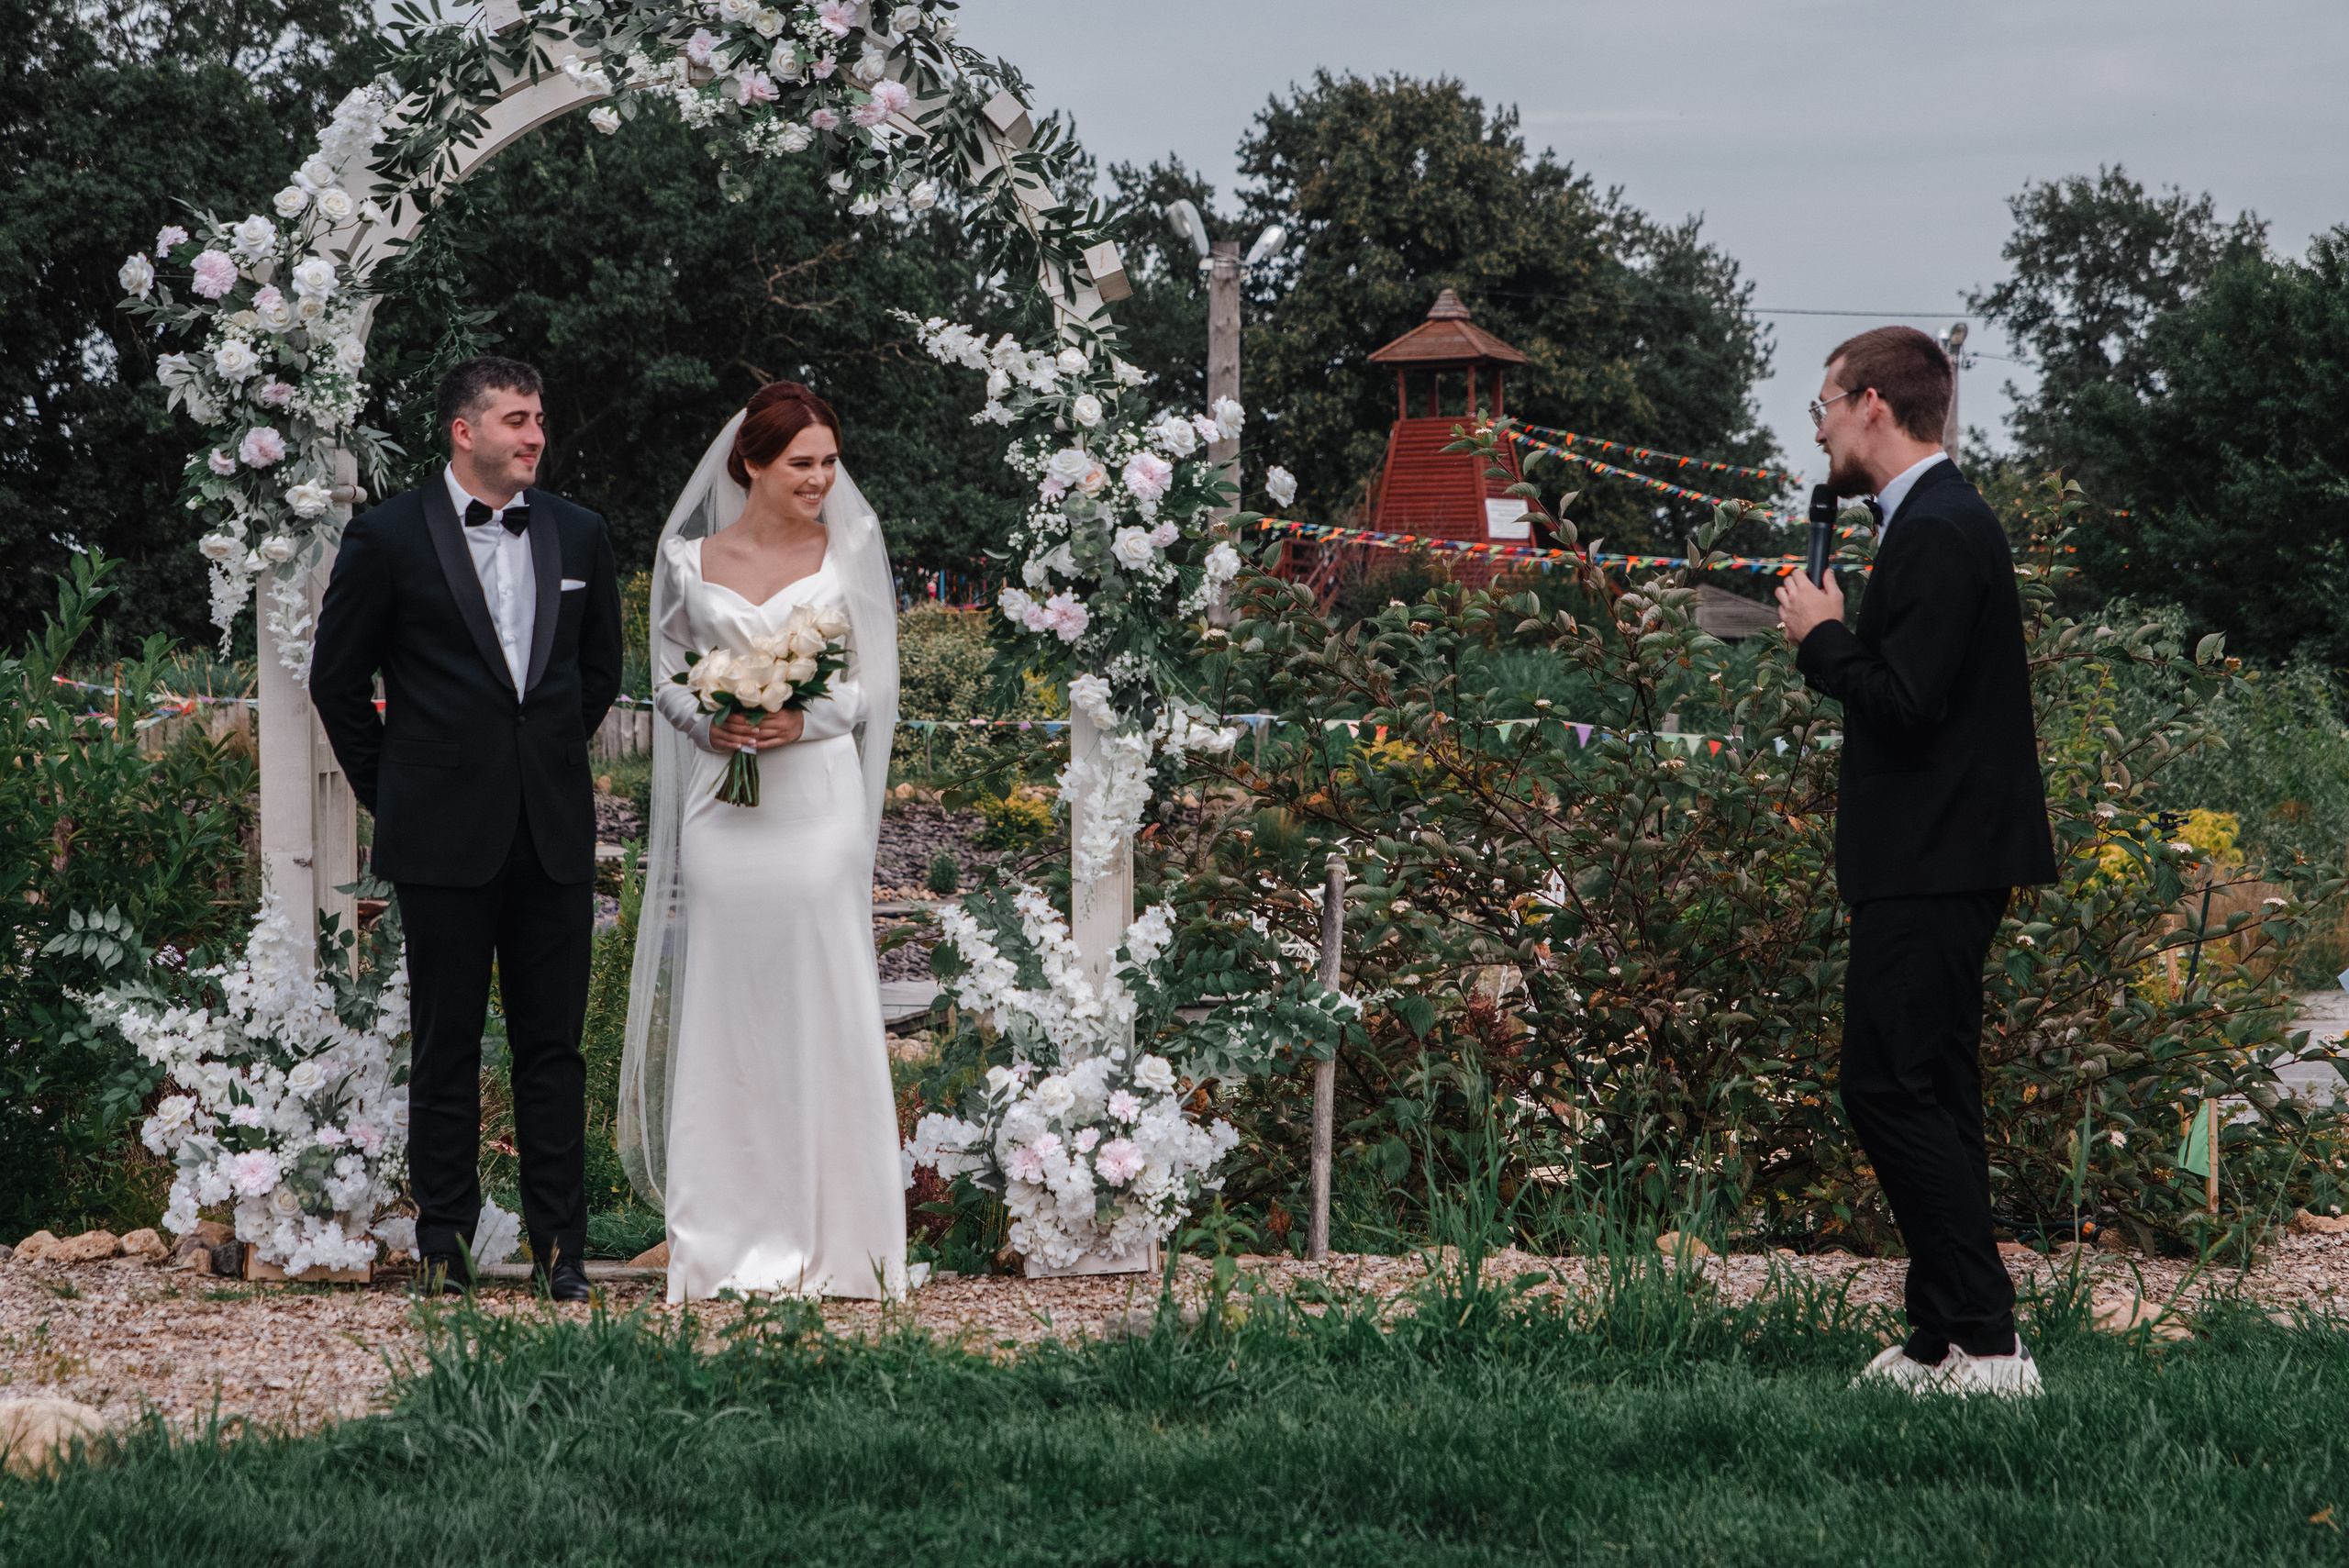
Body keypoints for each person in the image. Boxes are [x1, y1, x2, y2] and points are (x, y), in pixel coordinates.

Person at [1774, 326, 2058, 1398]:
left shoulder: (1938, 528)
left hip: (1934, 857)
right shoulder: (1930, 522)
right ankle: (1945, 1334)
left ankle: (1988, 1340)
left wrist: (1823, 636)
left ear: (1874, 406)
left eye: (1825, 405)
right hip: (1936, 852)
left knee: (1886, 1083)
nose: (1819, 426)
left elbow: (1906, 701)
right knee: (1933, 1088)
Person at [310, 356, 624, 1300]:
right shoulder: (386, 535)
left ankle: (560, 1251)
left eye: (539, 420)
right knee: (446, 1045)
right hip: (439, 832)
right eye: (517, 420)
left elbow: (596, 671)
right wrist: (395, 791)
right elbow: (337, 679)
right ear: (464, 430)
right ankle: (442, 1246)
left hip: (553, 831)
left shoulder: (580, 533)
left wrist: (542, 768)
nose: (535, 436)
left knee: (553, 1049)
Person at [618, 382, 909, 1302]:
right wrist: (712, 722)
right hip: (723, 814)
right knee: (731, 1009)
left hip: (815, 814)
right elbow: (665, 681)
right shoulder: (687, 558)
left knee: (820, 999)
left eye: (829, 461)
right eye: (801, 463)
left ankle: (845, 1235)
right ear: (750, 462)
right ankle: (725, 1238)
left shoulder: (849, 548)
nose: (821, 478)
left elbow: (874, 685)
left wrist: (804, 715)